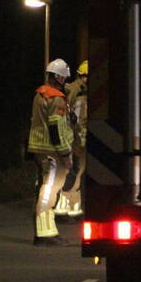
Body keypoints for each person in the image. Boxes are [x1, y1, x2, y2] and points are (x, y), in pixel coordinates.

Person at [28, 59, 74, 245]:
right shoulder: (56, 98)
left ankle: (47, 230)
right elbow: (56, 128)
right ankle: (44, 235)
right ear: (57, 77)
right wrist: (65, 154)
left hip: (41, 148)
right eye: (63, 77)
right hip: (52, 151)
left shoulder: (40, 94)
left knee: (46, 188)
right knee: (49, 190)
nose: (64, 81)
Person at [54, 60, 88, 220]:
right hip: (72, 138)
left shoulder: (83, 91)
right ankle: (61, 209)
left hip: (79, 139)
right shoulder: (73, 90)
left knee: (78, 173)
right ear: (81, 76)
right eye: (86, 77)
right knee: (69, 173)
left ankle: (74, 208)